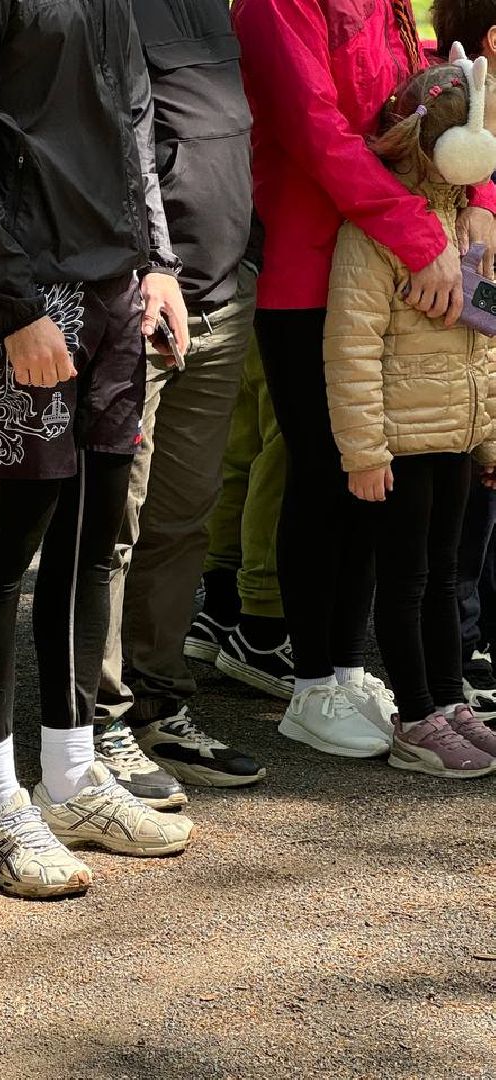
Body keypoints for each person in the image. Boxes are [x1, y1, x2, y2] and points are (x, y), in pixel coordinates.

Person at [0, 0, 196, 901]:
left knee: (88, 548)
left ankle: (71, 781)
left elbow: (135, 115)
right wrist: (12, 304)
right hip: (19, 298)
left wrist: (158, 263)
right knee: (1, 560)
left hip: (116, 290)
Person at [233, 0, 496, 759]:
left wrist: (477, 202)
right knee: (325, 474)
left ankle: (347, 669)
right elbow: (317, 131)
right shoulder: (274, 7)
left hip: (402, 259)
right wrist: (420, 233)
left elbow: (436, 102)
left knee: (373, 492)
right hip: (314, 268)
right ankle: (312, 683)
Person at [96, 0, 268, 804]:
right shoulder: (108, 9)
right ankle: (98, 723)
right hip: (137, 307)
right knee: (112, 528)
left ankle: (160, 706)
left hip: (223, 303)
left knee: (182, 517)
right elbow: (106, 148)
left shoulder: (215, 11)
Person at [323, 58, 496, 776]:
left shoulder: (469, 222)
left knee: (451, 568)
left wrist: (489, 438)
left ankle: (450, 699)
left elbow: (486, 335)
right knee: (406, 578)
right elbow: (351, 346)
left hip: (455, 434)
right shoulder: (374, 233)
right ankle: (416, 713)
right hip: (400, 441)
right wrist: (364, 451)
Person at [432, 0, 496, 719]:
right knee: (464, 526)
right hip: (460, 385)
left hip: (478, 381)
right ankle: (462, 650)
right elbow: (481, 307)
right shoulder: (468, 130)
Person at [187, 327, 294, 704]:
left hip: (251, 290)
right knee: (283, 452)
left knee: (246, 443)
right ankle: (260, 627)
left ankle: (223, 608)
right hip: (295, 296)